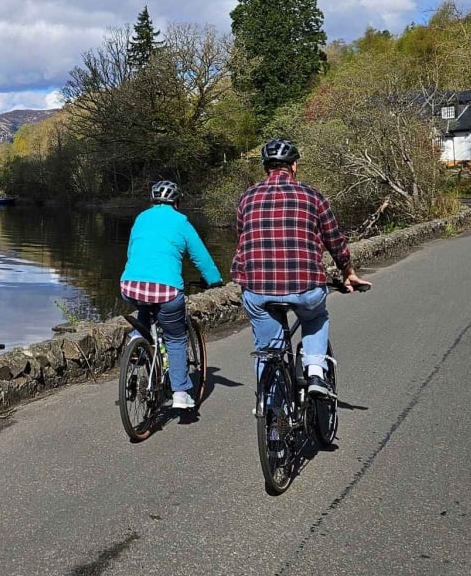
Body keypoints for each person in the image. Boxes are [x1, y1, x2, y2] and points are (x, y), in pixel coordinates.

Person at [232, 139, 371, 398]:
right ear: (294, 166)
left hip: (257, 289)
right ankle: (316, 371)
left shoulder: (246, 198)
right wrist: (347, 272)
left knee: (269, 348)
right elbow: (335, 240)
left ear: (266, 167)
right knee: (315, 317)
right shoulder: (312, 196)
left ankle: (273, 411)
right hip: (305, 286)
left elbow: (242, 238)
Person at [119, 179, 223, 410]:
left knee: (145, 306)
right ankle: (180, 392)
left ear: (154, 201)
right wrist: (214, 280)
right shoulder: (181, 222)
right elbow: (200, 257)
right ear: (176, 202)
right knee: (175, 338)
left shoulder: (141, 218)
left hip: (129, 285)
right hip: (165, 289)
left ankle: (137, 338)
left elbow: (132, 251)